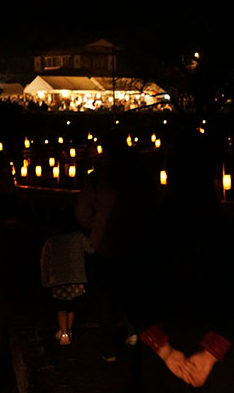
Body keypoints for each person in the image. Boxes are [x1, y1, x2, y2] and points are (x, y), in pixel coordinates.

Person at [125, 130, 234, 392]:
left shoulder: (148, 230)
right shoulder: (231, 231)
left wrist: (165, 351)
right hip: (220, 359)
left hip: (162, 353)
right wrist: (210, 353)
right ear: (212, 178)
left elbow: (133, 293)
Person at [75, 135, 147, 360]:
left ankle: (109, 348)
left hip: (103, 244)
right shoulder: (140, 179)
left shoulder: (96, 179)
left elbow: (81, 214)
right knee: (134, 291)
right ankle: (134, 331)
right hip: (136, 243)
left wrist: (95, 225)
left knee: (105, 297)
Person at [40, 211, 94, 346]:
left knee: (61, 307)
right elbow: (91, 249)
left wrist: (45, 279)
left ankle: (64, 334)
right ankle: (68, 331)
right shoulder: (78, 236)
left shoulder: (51, 240)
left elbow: (44, 260)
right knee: (71, 306)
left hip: (58, 279)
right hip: (76, 277)